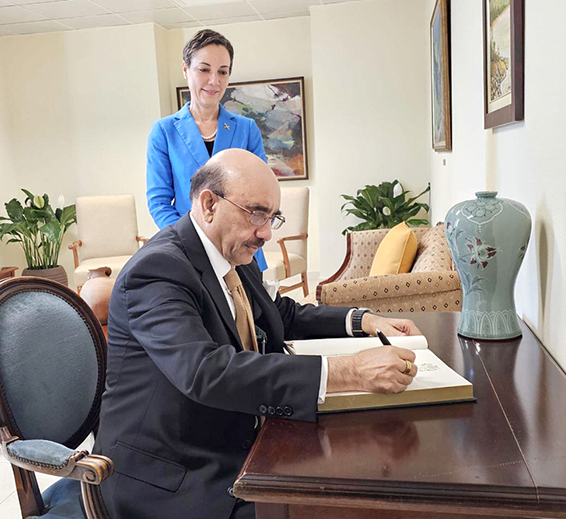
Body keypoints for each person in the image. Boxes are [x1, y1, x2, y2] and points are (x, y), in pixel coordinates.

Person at [95, 149, 421, 519]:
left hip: (235, 438)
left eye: (272, 217)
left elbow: (280, 315)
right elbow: (205, 371)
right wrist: (349, 371)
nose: (265, 232)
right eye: (256, 213)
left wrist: (363, 321)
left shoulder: (233, 253)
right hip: (175, 473)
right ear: (208, 204)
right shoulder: (158, 270)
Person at [146, 29, 268, 270]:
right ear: (186, 70)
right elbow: (158, 202)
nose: (214, 80)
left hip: (242, 250)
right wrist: (191, 242)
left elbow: (262, 195)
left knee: (254, 308)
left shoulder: (246, 129)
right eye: (204, 69)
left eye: (223, 71)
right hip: (190, 254)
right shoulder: (164, 131)